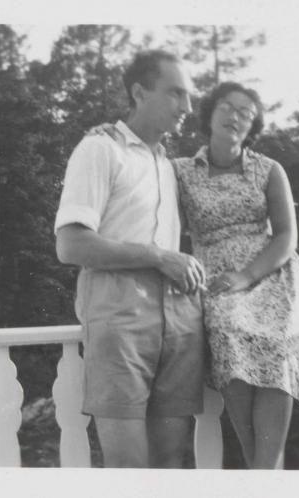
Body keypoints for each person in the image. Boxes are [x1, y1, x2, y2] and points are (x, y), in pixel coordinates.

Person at [54, 50, 207, 468]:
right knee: (130, 471)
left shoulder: (169, 164)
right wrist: (158, 257)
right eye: (175, 93)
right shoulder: (100, 149)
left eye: (189, 96)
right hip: (120, 317)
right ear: (139, 92)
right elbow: (70, 245)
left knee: (171, 461)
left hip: (179, 320)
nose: (187, 107)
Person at [172, 82, 299, 469]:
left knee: (276, 346)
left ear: (253, 125)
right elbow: (138, 167)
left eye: (245, 111)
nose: (235, 115)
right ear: (209, 113)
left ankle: (263, 472)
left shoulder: (269, 170)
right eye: (226, 106)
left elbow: (287, 235)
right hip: (217, 278)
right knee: (230, 335)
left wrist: (247, 275)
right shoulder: (180, 171)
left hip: (272, 273)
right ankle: (261, 470)